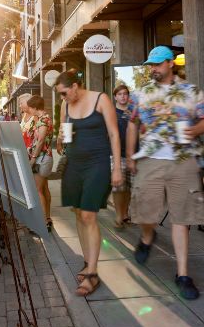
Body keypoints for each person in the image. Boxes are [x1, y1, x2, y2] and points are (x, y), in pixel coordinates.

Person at [126, 45, 204, 300]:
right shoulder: (140, 94)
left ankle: (183, 275)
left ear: (171, 63)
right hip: (150, 160)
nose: (153, 68)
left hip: (184, 160)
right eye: (150, 64)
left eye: (157, 64)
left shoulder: (191, 92)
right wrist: (128, 156)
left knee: (181, 218)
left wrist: (194, 130)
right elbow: (132, 125)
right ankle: (148, 236)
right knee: (144, 212)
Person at [55, 70, 122, 297]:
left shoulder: (100, 99)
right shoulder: (65, 106)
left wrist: (117, 168)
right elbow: (64, 131)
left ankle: (92, 274)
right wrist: (60, 138)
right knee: (77, 213)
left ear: (75, 86)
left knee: (88, 215)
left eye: (64, 93)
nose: (63, 98)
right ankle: (87, 262)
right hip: (74, 164)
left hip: (97, 164)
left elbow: (114, 134)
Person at [26, 95, 54, 232]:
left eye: (30, 107)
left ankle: (43, 224)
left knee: (38, 191)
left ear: (35, 107)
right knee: (44, 189)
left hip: (42, 158)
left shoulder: (43, 120)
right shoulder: (45, 118)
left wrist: (33, 157)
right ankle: (47, 219)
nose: (29, 110)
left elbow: (41, 140)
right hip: (45, 158)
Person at [112, 84, 132, 228]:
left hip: (133, 154)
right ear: (115, 97)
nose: (123, 96)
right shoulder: (111, 112)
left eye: (125, 94)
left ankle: (125, 213)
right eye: (120, 94)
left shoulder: (133, 113)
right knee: (119, 186)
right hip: (115, 154)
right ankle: (119, 214)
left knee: (129, 186)